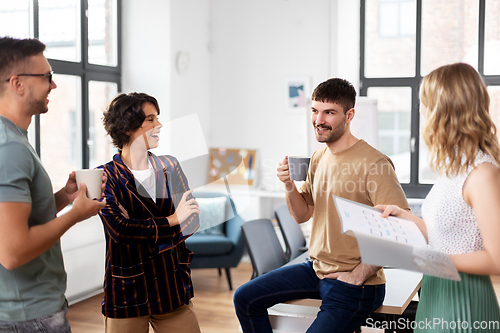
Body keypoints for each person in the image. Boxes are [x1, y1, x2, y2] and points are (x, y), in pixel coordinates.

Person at [233, 78, 410, 333]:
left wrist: (357, 276)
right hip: (315, 269)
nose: (319, 120)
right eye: (315, 110)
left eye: (329, 112)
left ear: (349, 115)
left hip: (357, 283)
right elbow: (302, 214)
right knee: (245, 298)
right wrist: (289, 186)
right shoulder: (318, 157)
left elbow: (399, 230)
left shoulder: (375, 164)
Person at [377, 63, 500, 332]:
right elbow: (447, 236)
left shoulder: (483, 173)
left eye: (426, 103)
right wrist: (406, 218)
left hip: (463, 304)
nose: (421, 111)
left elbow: (497, 258)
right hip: (436, 293)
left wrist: (434, 259)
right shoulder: (455, 167)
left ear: (447, 109)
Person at [0, 37, 106, 331]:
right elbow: (12, 251)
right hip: (27, 315)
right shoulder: (9, 148)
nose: (53, 85)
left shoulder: (14, 139)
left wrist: (63, 197)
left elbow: (16, 219)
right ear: (17, 83)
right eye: (47, 76)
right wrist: (76, 215)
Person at [97, 92, 201, 333]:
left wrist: (139, 229)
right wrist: (174, 219)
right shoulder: (104, 177)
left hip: (171, 287)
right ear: (127, 127)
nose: (159, 125)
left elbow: (193, 219)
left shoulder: (170, 166)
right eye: (150, 119)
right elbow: (120, 231)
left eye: (158, 118)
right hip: (127, 295)